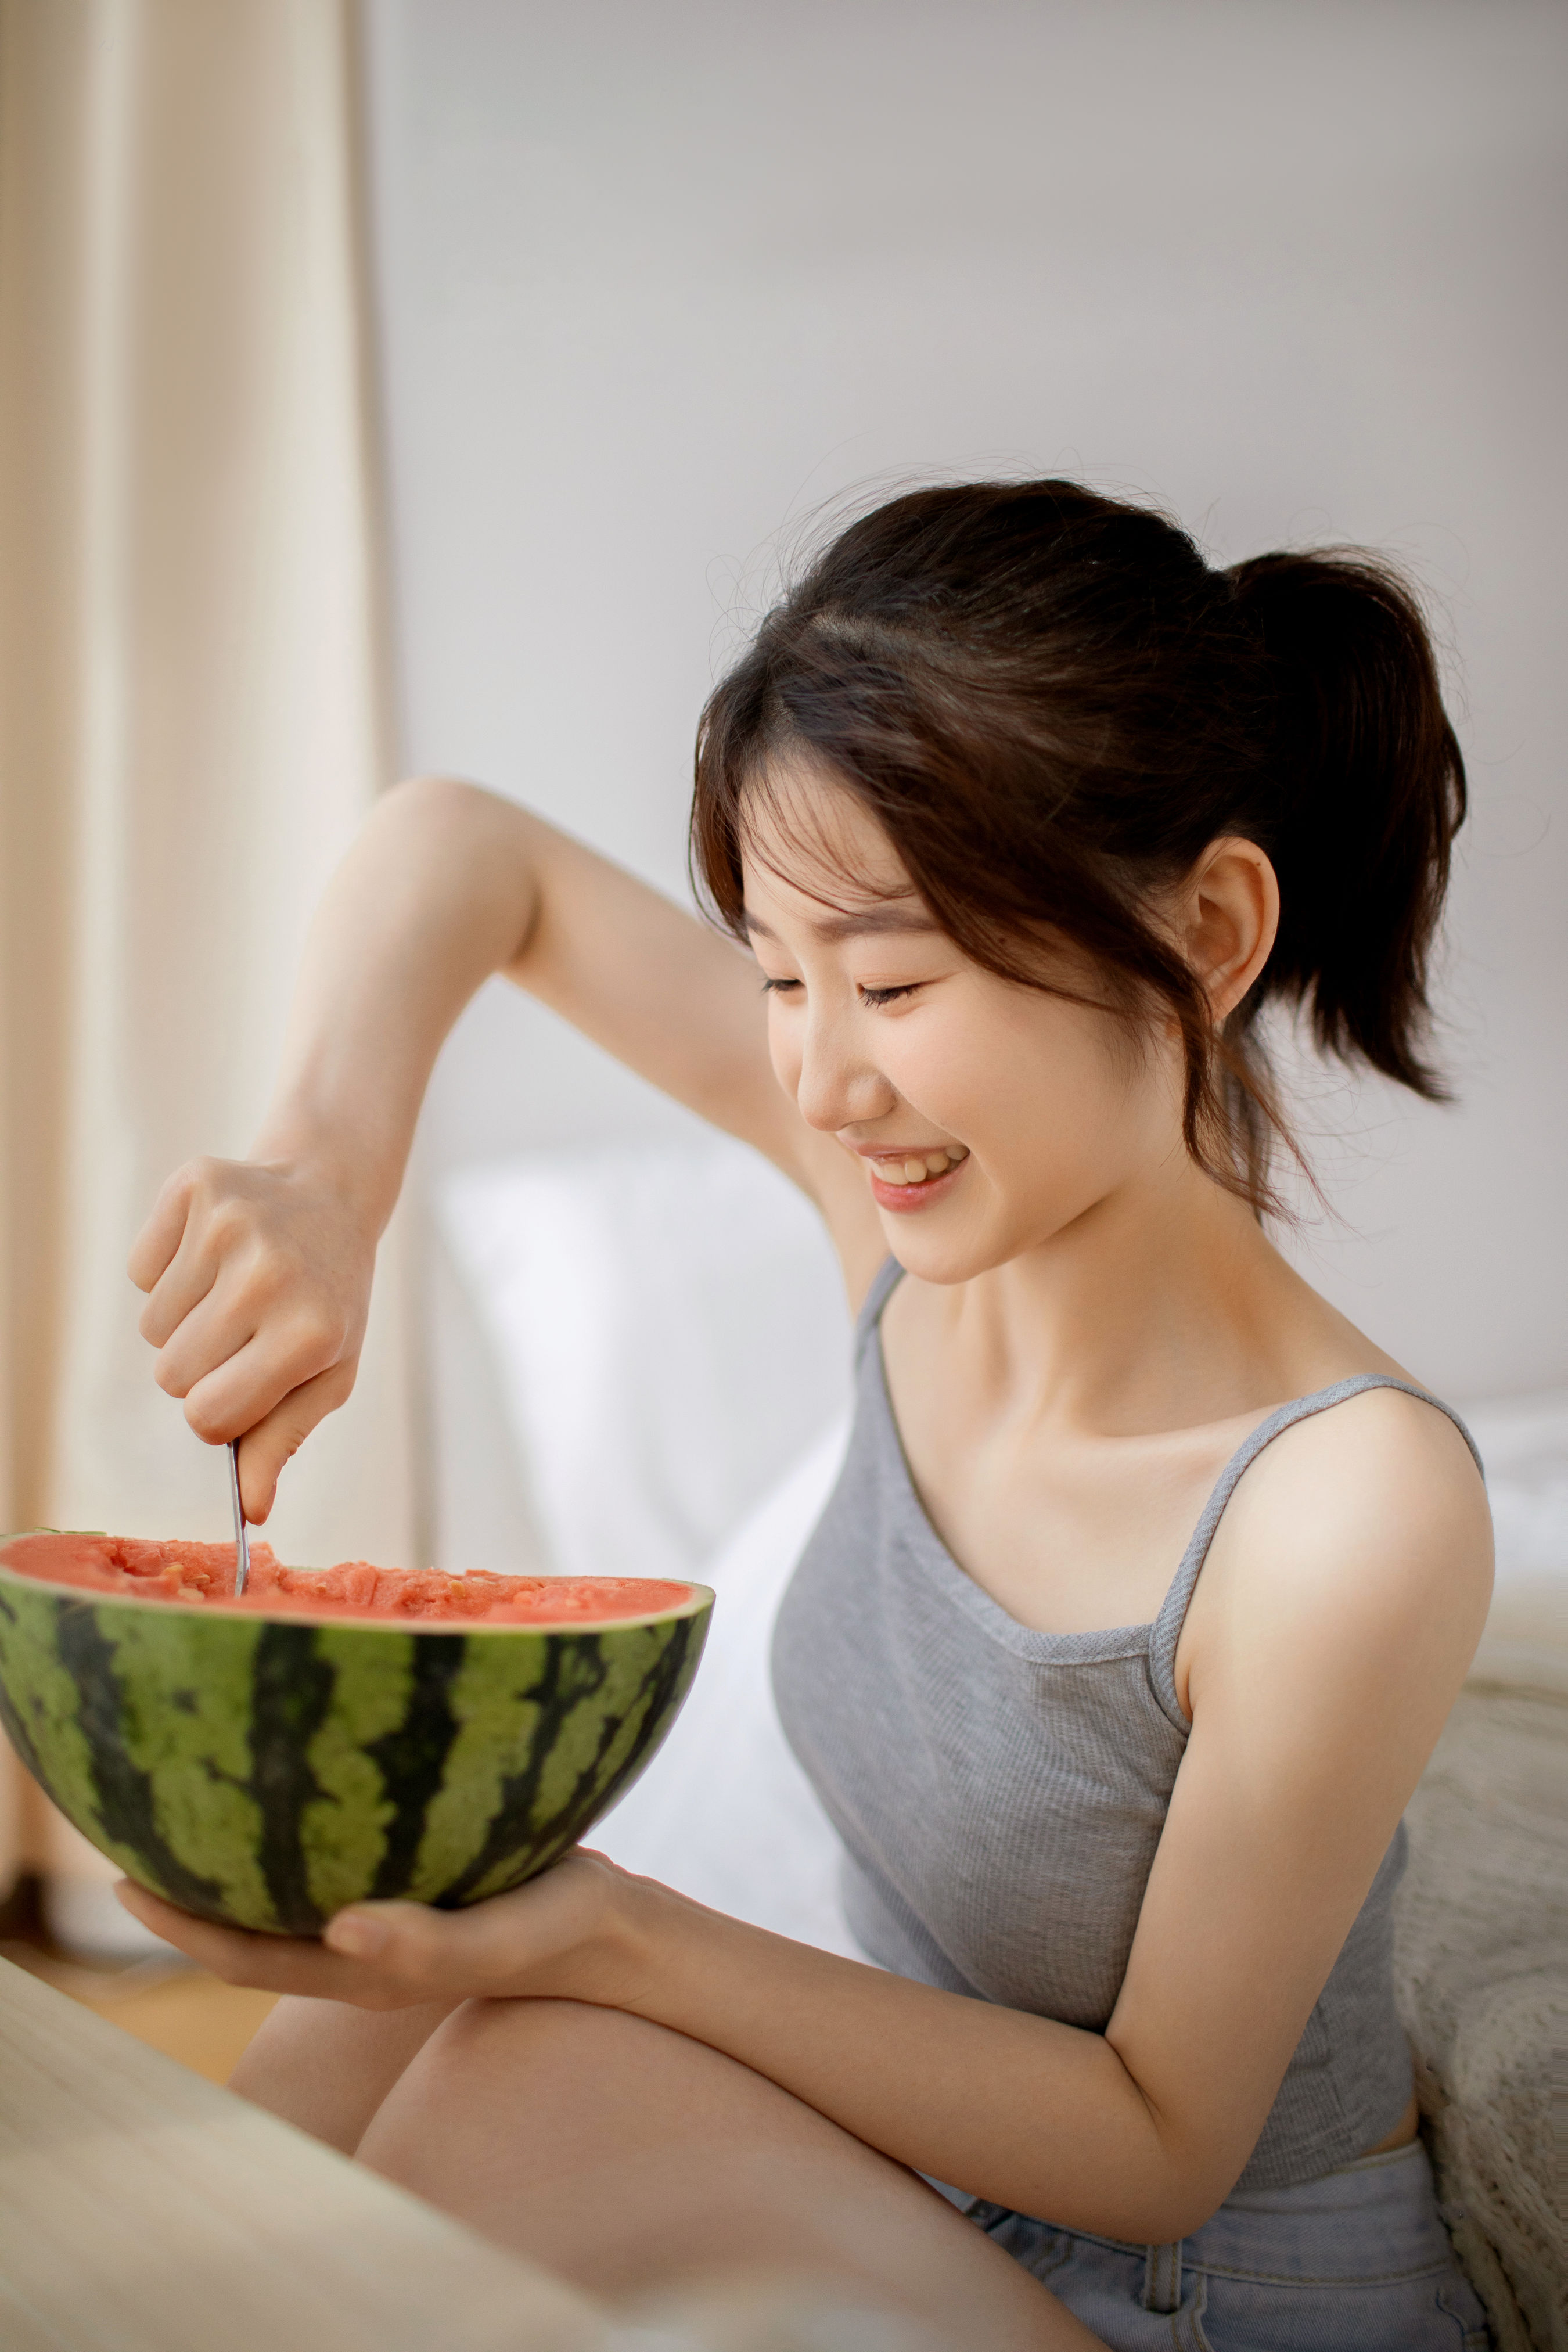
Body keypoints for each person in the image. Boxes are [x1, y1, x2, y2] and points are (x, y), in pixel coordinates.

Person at [123, 483, 1495, 2350]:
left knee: (518, 2068)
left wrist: (610, 1930)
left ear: (1208, 932)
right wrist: (321, 1171)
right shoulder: (906, 1218)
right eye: (777, 973)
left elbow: (1165, 2140)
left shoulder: (1346, 1504)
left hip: (1207, 2289)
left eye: (895, 980)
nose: (821, 1073)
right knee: (349, 2061)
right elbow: (465, 852)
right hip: (932, 2187)